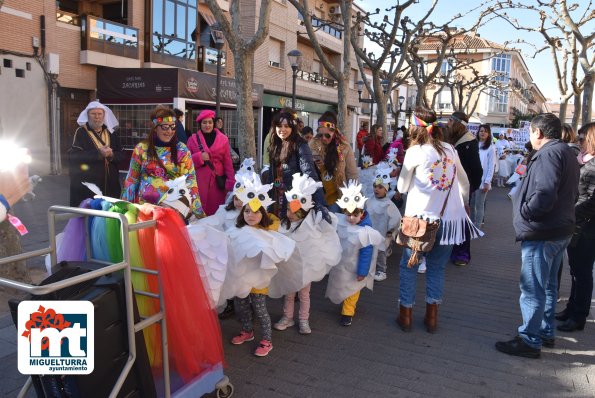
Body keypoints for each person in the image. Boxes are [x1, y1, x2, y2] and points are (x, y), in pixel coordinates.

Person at [495, 113, 579, 359]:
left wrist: (526, 212)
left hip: (544, 231)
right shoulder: (565, 152)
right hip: (558, 229)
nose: (530, 136)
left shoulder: (549, 154)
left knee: (533, 287)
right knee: (549, 285)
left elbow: (544, 193)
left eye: (531, 132)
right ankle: (544, 331)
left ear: (538, 133)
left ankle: (530, 339)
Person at [396, 107, 480, 333]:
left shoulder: (415, 152)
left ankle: (406, 315)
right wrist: (464, 204)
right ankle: (431, 318)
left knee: (409, 266)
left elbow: (401, 187)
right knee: (436, 268)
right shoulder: (451, 150)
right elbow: (464, 183)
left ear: (414, 127)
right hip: (448, 220)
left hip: (419, 220)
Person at [225, 174, 295, 357]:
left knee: (260, 308)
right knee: (241, 305)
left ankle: (267, 339)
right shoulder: (237, 229)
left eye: (256, 211)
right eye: (247, 211)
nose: (250, 215)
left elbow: (277, 245)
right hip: (242, 277)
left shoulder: (268, 231)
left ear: (263, 213)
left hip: (259, 279)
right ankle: (247, 331)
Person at [273, 173, 341, 334]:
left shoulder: (311, 225)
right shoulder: (284, 224)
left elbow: (328, 225)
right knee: (289, 294)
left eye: (294, 211)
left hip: (306, 268)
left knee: (304, 295)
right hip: (290, 268)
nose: (290, 213)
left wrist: (322, 213)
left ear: (303, 213)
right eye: (288, 209)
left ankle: (304, 320)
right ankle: (287, 317)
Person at [121, 105, 205, 218]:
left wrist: (198, 211)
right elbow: (132, 179)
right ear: (155, 127)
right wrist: (125, 207)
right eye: (165, 127)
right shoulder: (141, 148)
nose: (169, 131)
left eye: (173, 127)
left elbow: (190, 180)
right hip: (146, 209)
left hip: (174, 209)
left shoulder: (182, 149)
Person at [325, 180, 382, 326]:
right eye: (348, 214)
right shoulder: (342, 222)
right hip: (342, 264)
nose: (350, 218)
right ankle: (343, 303)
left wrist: (363, 271)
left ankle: (347, 312)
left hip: (355, 267)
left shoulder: (365, 232)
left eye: (354, 215)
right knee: (341, 284)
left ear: (362, 213)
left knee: (352, 289)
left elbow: (366, 252)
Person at [555, 122, 595, 333]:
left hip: (587, 227)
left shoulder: (593, 164)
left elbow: (592, 201)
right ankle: (572, 309)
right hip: (578, 223)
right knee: (576, 271)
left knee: (583, 272)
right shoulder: (585, 161)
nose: (578, 142)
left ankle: (579, 315)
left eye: (582, 138)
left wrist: (571, 212)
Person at [263, 108, 325, 218]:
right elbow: (272, 177)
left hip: (294, 199)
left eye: (286, 126)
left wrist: (320, 205)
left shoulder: (301, 145)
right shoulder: (275, 145)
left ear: (292, 127)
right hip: (277, 198)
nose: (282, 129)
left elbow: (310, 175)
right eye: (279, 126)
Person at [68, 101, 122, 207]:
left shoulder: (111, 132)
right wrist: (98, 154)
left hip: (111, 185)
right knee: (90, 216)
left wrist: (112, 155)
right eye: (93, 114)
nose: (97, 117)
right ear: (88, 115)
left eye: (99, 114)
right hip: (89, 186)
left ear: (104, 115)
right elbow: (74, 156)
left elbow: (121, 155)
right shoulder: (81, 132)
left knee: (109, 216)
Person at [447, 112, 482, 266]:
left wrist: (471, 188)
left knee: (462, 220)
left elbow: (476, 170)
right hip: (449, 186)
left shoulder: (469, 142)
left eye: (450, 121)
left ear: (457, 123)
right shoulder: (453, 139)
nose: (447, 124)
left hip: (463, 187)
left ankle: (462, 254)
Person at [187, 110, 235, 215]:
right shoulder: (192, 139)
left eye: (210, 122)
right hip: (200, 180)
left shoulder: (223, 139)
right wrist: (199, 157)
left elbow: (227, 161)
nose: (207, 125)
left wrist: (231, 181)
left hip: (217, 180)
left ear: (214, 123)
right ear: (200, 124)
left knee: (216, 209)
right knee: (200, 208)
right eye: (204, 122)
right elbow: (186, 160)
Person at [310, 111, 358, 210]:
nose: (323, 138)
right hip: (316, 194)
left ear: (334, 132)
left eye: (327, 135)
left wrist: (353, 195)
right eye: (320, 135)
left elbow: (352, 174)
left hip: (336, 196)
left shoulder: (344, 147)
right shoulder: (312, 145)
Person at [368, 163, 401, 282]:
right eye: (375, 186)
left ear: (386, 190)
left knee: (380, 251)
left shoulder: (389, 205)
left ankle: (382, 270)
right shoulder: (369, 201)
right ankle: (369, 267)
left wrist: (391, 230)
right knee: (369, 250)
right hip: (371, 230)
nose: (376, 189)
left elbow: (396, 218)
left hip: (383, 232)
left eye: (380, 187)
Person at [470, 124, 496, 227]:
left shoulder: (490, 148)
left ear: (489, 134)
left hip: (482, 180)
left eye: (485, 131)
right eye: (481, 131)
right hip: (472, 180)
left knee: (479, 205)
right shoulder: (474, 145)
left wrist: (487, 181)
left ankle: (478, 226)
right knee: (471, 204)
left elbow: (491, 166)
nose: (483, 133)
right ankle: (471, 225)